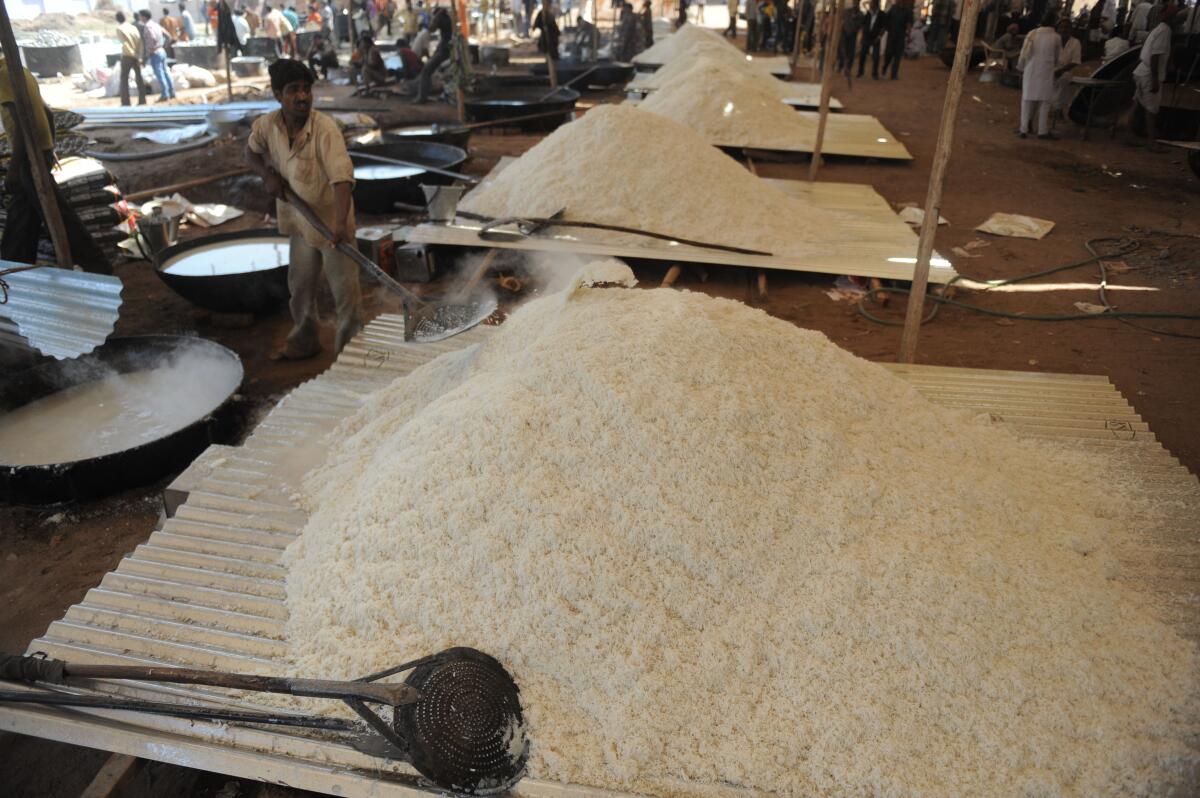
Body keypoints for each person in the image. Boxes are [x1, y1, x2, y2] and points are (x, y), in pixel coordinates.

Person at [246, 60, 362, 359]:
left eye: (306, 89)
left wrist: (339, 225)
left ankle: (352, 354)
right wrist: (267, 175)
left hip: (331, 222)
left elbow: (341, 179)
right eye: (293, 90)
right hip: (298, 219)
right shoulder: (267, 125)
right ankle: (305, 341)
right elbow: (250, 152)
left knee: (345, 293)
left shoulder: (325, 129)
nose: (302, 96)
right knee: (300, 287)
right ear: (277, 95)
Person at [0, 57, 112, 274]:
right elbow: (48, 112)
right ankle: (13, 271)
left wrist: (14, 170)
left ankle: (99, 267)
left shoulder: (3, 76)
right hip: (39, 150)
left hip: (28, 154)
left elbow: (23, 124)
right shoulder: (19, 70)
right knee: (22, 216)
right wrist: (50, 146)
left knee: (61, 217)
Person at [1128, 8, 1176, 149]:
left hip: (1142, 71)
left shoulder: (1159, 29)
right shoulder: (1164, 31)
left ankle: (1130, 135)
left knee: (1137, 104)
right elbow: (1155, 56)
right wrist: (1155, 78)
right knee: (1151, 109)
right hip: (1149, 73)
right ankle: (1151, 141)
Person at [1017, 12, 1061, 138]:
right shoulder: (1056, 37)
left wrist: (1021, 69)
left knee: (1026, 101)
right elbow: (1058, 58)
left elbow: (1023, 55)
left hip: (1030, 70)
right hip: (1047, 71)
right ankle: (1042, 131)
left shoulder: (1032, 34)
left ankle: (1023, 129)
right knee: (1044, 102)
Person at [414, 5, 452, 103]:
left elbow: (432, 28)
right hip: (446, 48)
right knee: (430, 71)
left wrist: (436, 16)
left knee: (426, 71)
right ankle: (425, 95)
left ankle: (422, 97)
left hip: (445, 49)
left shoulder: (441, 18)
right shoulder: (447, 19)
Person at [138, 10, 176, 102]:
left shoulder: (148, 27)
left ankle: (165, 94)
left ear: (144, 17)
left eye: (140, 16)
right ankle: (172, 93)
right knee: (166, 72)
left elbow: (151, 39)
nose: (139, 18)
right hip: (161, 51)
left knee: (160, 74)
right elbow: (168, 36)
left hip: (155, 53)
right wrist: (164, 45)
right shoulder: (156, 25)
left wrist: (148, 54)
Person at [115, 11, 147, 106]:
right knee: (139, 78)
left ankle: (125, 102)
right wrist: (139, 56)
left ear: (117, 19)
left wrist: (132, 54)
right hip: (136, 56)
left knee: (124, 79)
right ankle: (142, 100)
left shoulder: (119, 29)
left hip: (127, 56)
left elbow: (125, 44)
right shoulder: (133, 27)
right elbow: (140, 42)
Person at [1052, 16, 1082, 114]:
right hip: (1051, 69)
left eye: (1067, 27)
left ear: (1070, 29)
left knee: (1064, 79)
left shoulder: (1075, 43)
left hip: (1067, 71)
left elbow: (1075, 61)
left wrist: (1061, 70)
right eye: (1061, 27)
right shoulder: (1053, 40)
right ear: (1057, 29)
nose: (1064, 30)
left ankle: (1058, 109)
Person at [880, 0, 913, 79]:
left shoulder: (908, 10)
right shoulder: (893, 8)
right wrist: (882, 31)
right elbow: (886, 20)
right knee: (889, 54)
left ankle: (894, 75)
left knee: (897, 56)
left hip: (900, 36)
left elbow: (909, 23)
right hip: (891, 35)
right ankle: (885, 67)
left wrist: (909, 35)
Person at [857, 0, 887, 77]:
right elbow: (863, 25)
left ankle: (875, 73)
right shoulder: (868, 14)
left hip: (876, 37)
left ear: (876, 5)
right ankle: (860, 71)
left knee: (876, 56)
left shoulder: (882, 15)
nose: (870, 6)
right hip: (866, 36)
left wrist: (879, 37)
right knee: (862, 54)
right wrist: (862, 35)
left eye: (872, 4)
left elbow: (884, 27)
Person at [836, 0, 862, 75]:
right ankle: (840, 65)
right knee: (842, 51)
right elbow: (841, 20)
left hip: (852, 36)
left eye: (857, 2)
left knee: (851, 53)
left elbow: (858, 26)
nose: (855, 4)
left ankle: (848, 69)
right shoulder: (846, 11)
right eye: (855, 2)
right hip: (844, 34)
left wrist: (854, 19)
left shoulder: (860, 14)